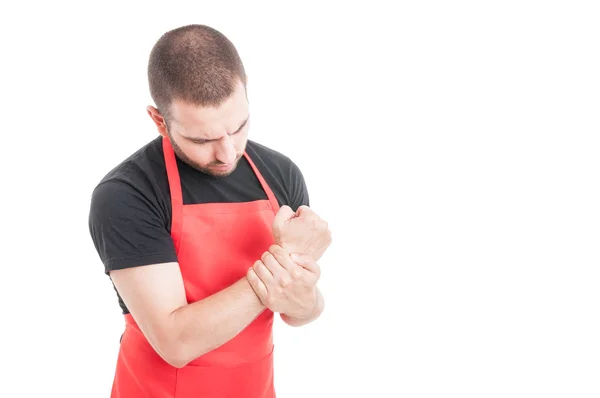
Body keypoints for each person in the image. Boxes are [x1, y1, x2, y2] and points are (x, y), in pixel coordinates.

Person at [88, 24, 332, 398]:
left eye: (238, 127)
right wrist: (285, 258)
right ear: (159, 121)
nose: (228, 152)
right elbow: (176, 342)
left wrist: (305, 295)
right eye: (203, 139)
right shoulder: (126, 194)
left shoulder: (281, 174)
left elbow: (300, 311)